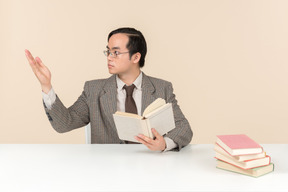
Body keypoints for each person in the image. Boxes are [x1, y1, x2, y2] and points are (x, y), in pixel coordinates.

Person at [25, 27, 192, 151]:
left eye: (116, 52)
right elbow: (64, 124)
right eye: (108, 51)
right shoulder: (94, 90)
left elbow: (184, 128)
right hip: (106, 172)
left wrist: (164, 145)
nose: (109, 57)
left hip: (151, 168)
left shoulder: (162, 88)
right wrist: (46, 86)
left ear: (136, 57)